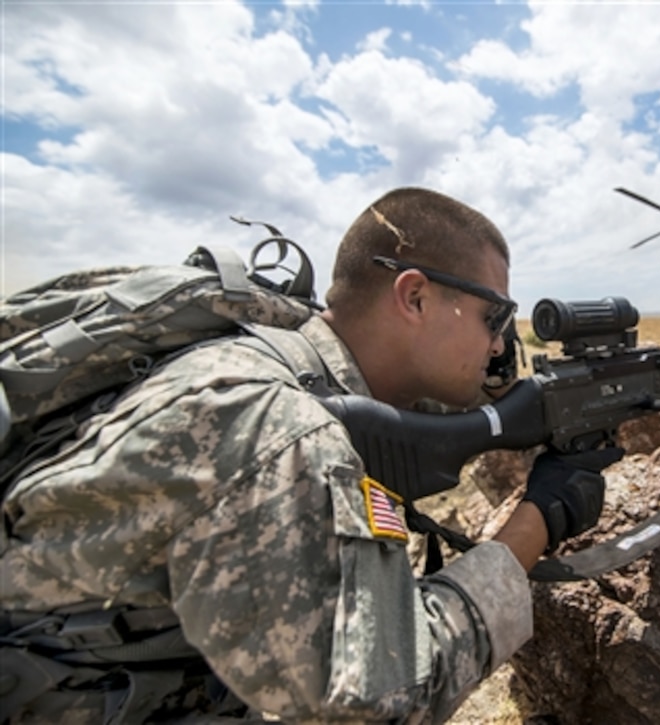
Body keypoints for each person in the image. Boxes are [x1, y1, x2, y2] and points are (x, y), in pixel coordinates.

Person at [0, 187, 621, 722]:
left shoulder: (274, 359)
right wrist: (537, 519)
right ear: (415, 298)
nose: (498, 344)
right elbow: (382, 702)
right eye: (495, 316)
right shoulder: (282, 428)